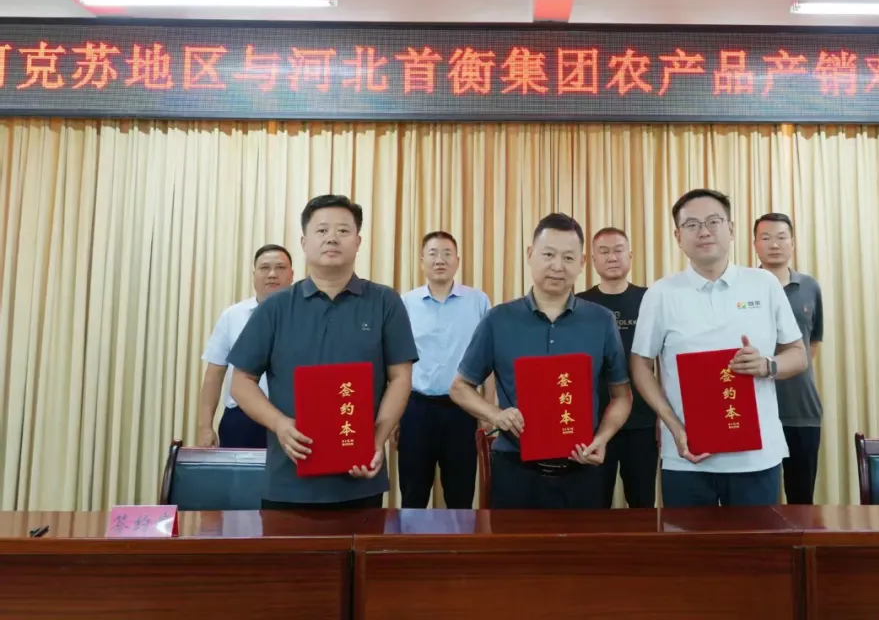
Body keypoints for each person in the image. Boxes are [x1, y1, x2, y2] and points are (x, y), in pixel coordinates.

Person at [227, 194, 418, 510]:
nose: (332, 238)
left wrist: (377, 439)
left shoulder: (385, 302)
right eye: (322, 230)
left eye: (343, 231)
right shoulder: (275, 307)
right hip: (288, 479)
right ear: (304, 243)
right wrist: (280, 424)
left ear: (358, 242)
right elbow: (241, 381)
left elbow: (400, 377)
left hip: (361, 475)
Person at [630, 189, 808, 507]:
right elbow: (640, 365)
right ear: (678, 236)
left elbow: (798, 354)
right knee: (688, 541)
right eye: (692, 224)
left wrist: (768, 365)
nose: (704, 231)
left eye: (714, 221)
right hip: (687, 457)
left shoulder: (764, 284)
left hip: (757, 457)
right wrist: (673, 425)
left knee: (758, 539)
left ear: (731, 229)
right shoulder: (661, 293)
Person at [448, 212, 632, 510]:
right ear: (530, 254)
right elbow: (459, 387)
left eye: (568, 258)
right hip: (515, 472)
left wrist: (603, 437)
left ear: (582, 263)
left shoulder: (601, 320)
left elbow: (622, 396)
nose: (558, 266)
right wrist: (496, 415)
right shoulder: (498, 319)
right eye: (548, 254)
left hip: (582, 472)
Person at [399, 231, 493, 509]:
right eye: (433, 253)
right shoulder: (406, 303)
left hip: (463, 410)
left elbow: (489, 359)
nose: (440, 260)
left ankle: (459, 540)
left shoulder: (478, 301)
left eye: (446, 253)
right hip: (416, 409)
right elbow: (397, 363)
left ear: (457, 261)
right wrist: (395, 416)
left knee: (460, 495)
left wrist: (488, 409)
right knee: (413, 494)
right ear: (422, 261)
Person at [578, 227, 658, 508]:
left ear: (630, 256)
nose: (612, 257)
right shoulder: (580, 304)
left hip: (644, 422)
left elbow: (663, 360)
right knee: (594, 505)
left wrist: (664, 417)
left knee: (643, 504)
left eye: (618, 250)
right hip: (594, 423)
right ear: (592, 260)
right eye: (604, 251)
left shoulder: (650, 300)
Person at [753, 212, 824, 505]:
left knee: (801, 500)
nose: (774, 244)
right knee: (756, 503)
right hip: (755, 408)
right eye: (766, 238)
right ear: (755, 245)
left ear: (792, 243)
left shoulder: (809, 287)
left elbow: (813, 342)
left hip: (801, 408)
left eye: (781, 237)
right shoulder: (745, 286)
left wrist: (790, 368)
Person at [196, 244, 294, 448]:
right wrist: (205, 427)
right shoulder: (232, 316)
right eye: (265, 268)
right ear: (254, 275)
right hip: (242, 419)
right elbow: (214, 374)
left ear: (292, 274)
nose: (272, 274)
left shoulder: (305, 315)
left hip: (292, 418)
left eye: (280, 268)